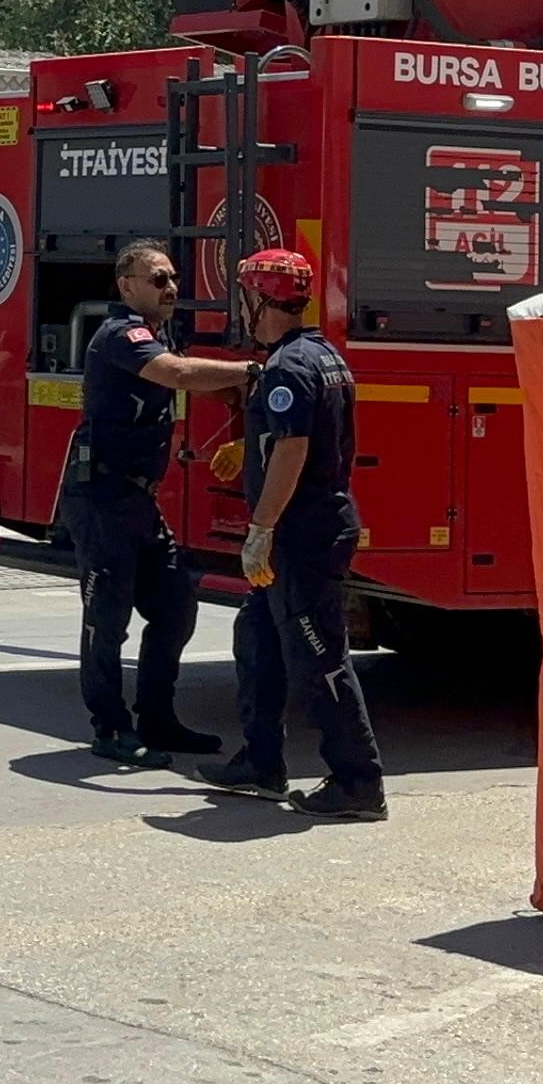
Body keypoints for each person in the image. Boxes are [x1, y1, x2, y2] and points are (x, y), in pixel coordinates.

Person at [195, 247, 389, 820]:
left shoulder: (287, 367)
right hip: (306, 528)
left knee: (319, 656)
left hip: (300, 537)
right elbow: (300, 438)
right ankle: (260, 761)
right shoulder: (321, 354)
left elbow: (295, 447)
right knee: (256, 640)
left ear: (259, 298)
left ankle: (359, 781)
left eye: (245, 298)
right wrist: (248, 449)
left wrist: (261, 528)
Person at [61, 242, 238, 766]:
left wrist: (237, 392)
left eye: (173, 278)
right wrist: (251, 371)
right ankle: (110, 727)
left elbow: (188, 376)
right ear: (126, 286)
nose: (171, 288)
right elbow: (179, 375)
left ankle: (157, 719)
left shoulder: (160, 336)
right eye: (158, 279)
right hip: (101, 495)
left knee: (176, 606)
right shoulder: (121, 334)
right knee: (107, 617)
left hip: (136, 496)